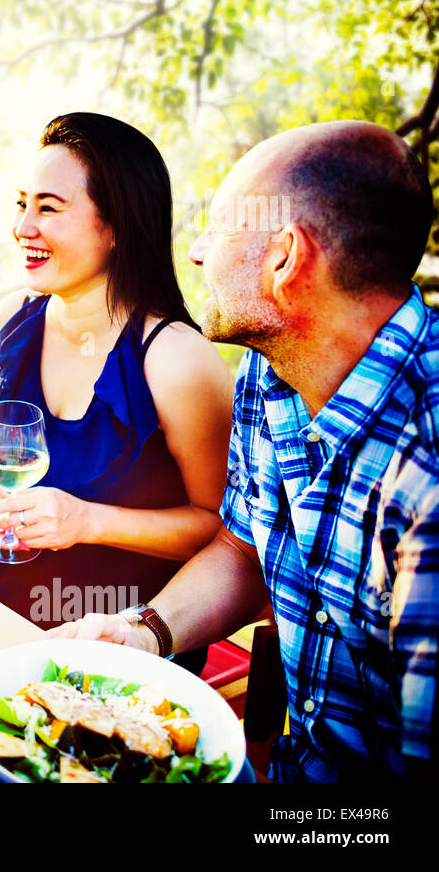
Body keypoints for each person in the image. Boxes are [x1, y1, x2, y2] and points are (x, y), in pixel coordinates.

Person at [50, 120, 437, 781]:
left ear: (284, 258)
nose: (198, 251)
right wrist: (145, 629)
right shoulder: (273, 369)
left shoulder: (425, 477)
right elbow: (241, 549)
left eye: (221, 225)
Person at [0, 113, 234, 673]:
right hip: (6, 576)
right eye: (22, 204)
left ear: (117, 226)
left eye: (48, 207)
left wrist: (87, 521)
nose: (23, 226)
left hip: (116, 622)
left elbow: (225, 533)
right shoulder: (15, 322)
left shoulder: (177, 361)